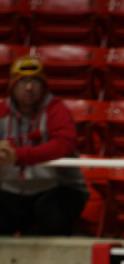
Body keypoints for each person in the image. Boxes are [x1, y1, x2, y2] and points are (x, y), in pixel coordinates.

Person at [0, 55, 88, 236]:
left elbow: (64, 144)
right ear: (12, 86)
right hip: (10, 190)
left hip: (58, 188)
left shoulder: (56, 109)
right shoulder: (2, 110)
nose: (29, 87)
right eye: (23, 81)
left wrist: (18, 156)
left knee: (52, 214)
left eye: (35, 81)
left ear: (44, 86)